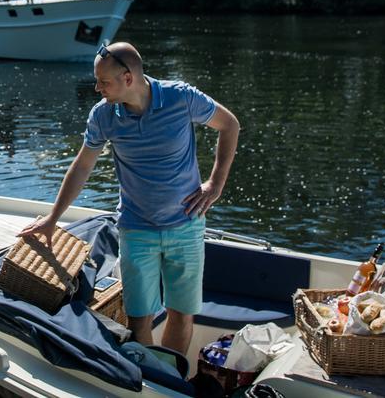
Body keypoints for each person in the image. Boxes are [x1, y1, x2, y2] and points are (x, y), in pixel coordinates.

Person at [19, 42, 240, 354]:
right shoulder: (104, 116)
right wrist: (53, 218)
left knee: (181, 314)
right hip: (136, 230)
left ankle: (170, 379)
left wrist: (215, 184)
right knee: (138, 321)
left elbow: (229, 125)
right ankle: (150, 379)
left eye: (103, 81)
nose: (96, 88)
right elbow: (83, 166)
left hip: (187, 227)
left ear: (127, 78)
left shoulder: (181, 97)